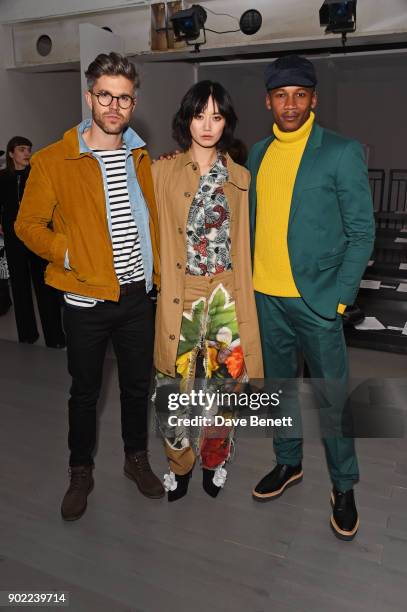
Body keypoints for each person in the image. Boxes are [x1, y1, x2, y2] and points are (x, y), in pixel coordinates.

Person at [15, 52, 164, 521]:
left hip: (138, 296)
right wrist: (70, 252)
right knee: (85, 392)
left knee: (138, 387)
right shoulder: (53, 160)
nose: (114, 106)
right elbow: (27, 225)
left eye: (123, 98)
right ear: (89, 97)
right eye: (105, 95)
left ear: (133, 102)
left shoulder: (140, 155)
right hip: (85, 300)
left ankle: (135, 459)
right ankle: (80, 471)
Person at [248, 55, 375, 540]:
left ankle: (344, 486)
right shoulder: (258, 154)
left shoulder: (340, 152)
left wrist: (341, 299)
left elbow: (362, 232)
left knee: (332, 399)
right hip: (267, 298)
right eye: (281, 96)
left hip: (318, 302)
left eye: (300, 95)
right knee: (277, 391)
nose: (290, 105)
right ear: (268, 101)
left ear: (313, 99)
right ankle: (288, 463)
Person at [152, 81, 263, 502]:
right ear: (187, 119)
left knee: (224, 388)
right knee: (170, 388)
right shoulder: (161, 171)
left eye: (217, 116)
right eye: (200, 115)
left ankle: (214, 461)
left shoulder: (241, 178)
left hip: (226, 296)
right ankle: (178, 465)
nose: (207, 125)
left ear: (227, 122)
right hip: (180, 293)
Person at [0, 137, 65, 345]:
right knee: (19, 289)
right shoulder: (2, 177)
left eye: (29, 149)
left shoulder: (38, 173)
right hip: (13, 239)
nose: (27, 153)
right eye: (21, 150)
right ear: (11, 154)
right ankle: (27, 336)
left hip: (38, 238)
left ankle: (55, 338)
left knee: (45, 288)